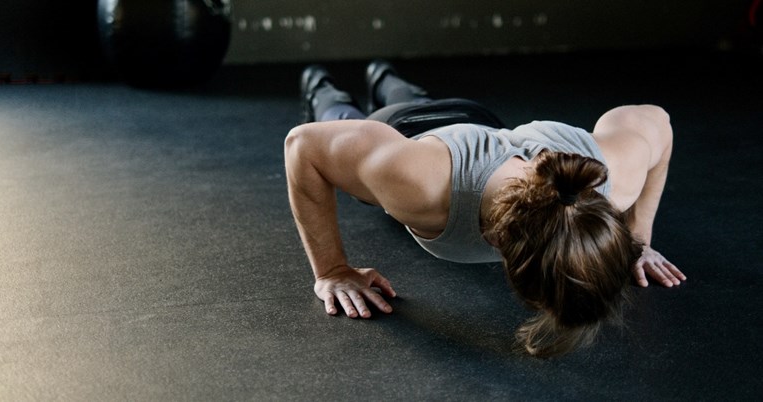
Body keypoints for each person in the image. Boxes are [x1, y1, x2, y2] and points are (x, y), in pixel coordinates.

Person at [284, 60, 686, 357]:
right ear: (498, 243)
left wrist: (636, 240)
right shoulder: (418, 186)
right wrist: (332, 271)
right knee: (342, 120)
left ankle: (383, 75)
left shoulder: (614, 177)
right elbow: (303, 146)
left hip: (474, 120)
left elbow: (659, 121)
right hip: (404, 131)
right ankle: (321, 84)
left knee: (420, 99)